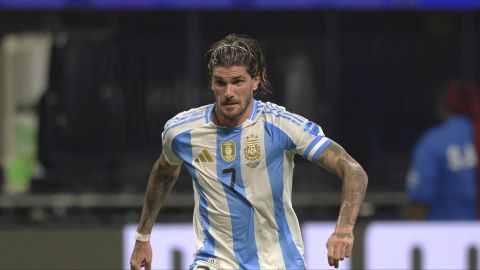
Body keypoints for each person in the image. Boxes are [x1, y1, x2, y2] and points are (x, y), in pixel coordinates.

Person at [130, 33, 368, 270]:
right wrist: (143, 237)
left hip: (278, 263)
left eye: (237, 81)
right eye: (220, 83)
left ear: (256, 81)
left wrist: (344, 229)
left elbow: (353, 170)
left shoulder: (281, 126)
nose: (228, 92)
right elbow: (164, 173)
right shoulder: (182, 132)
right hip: (214, 262)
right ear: (212, 83)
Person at [406, 80, 479, 220]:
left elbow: (418, 203)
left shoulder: (434, 142)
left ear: (443, 105)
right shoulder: (473, 135)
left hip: (445, 236)